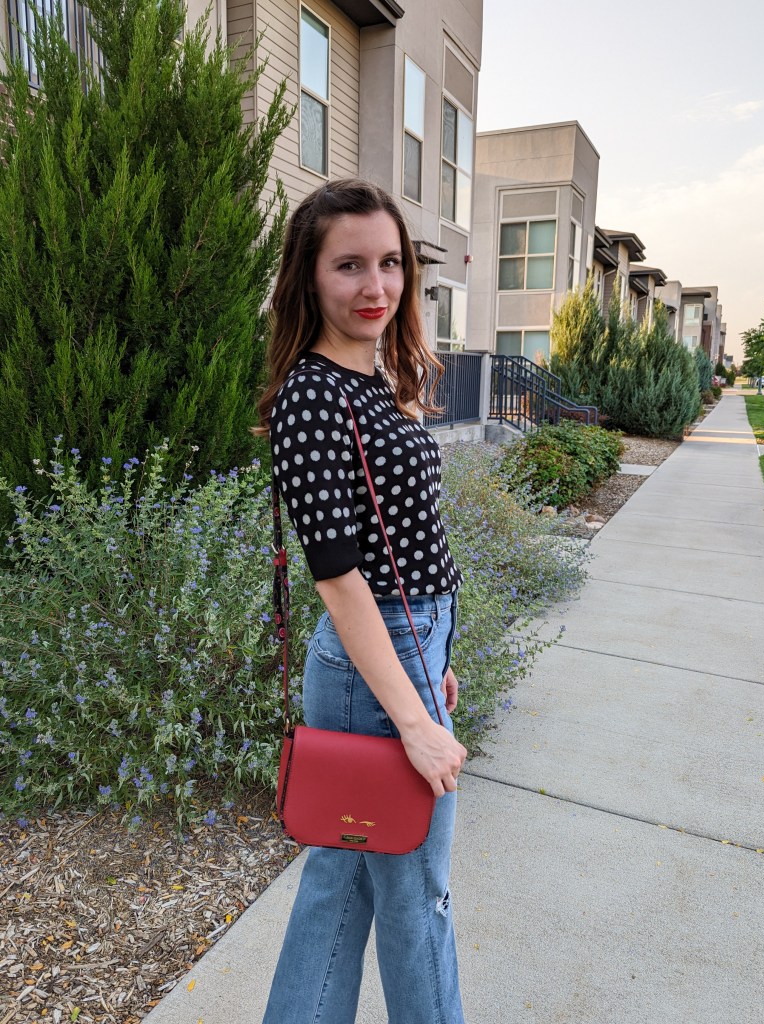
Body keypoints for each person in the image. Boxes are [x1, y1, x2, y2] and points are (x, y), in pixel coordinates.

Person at [256, 178, 467, 1024]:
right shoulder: (314, 396)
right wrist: (413, 720)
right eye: (349, 266)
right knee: (418, 895)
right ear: (308, 278)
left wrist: (435, 665)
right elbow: (340, 578)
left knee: (341, 887)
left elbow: (407, 544)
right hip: (373, 660)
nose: (375, 286)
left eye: (390, 263)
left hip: (403, 652)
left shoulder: (375, 381)